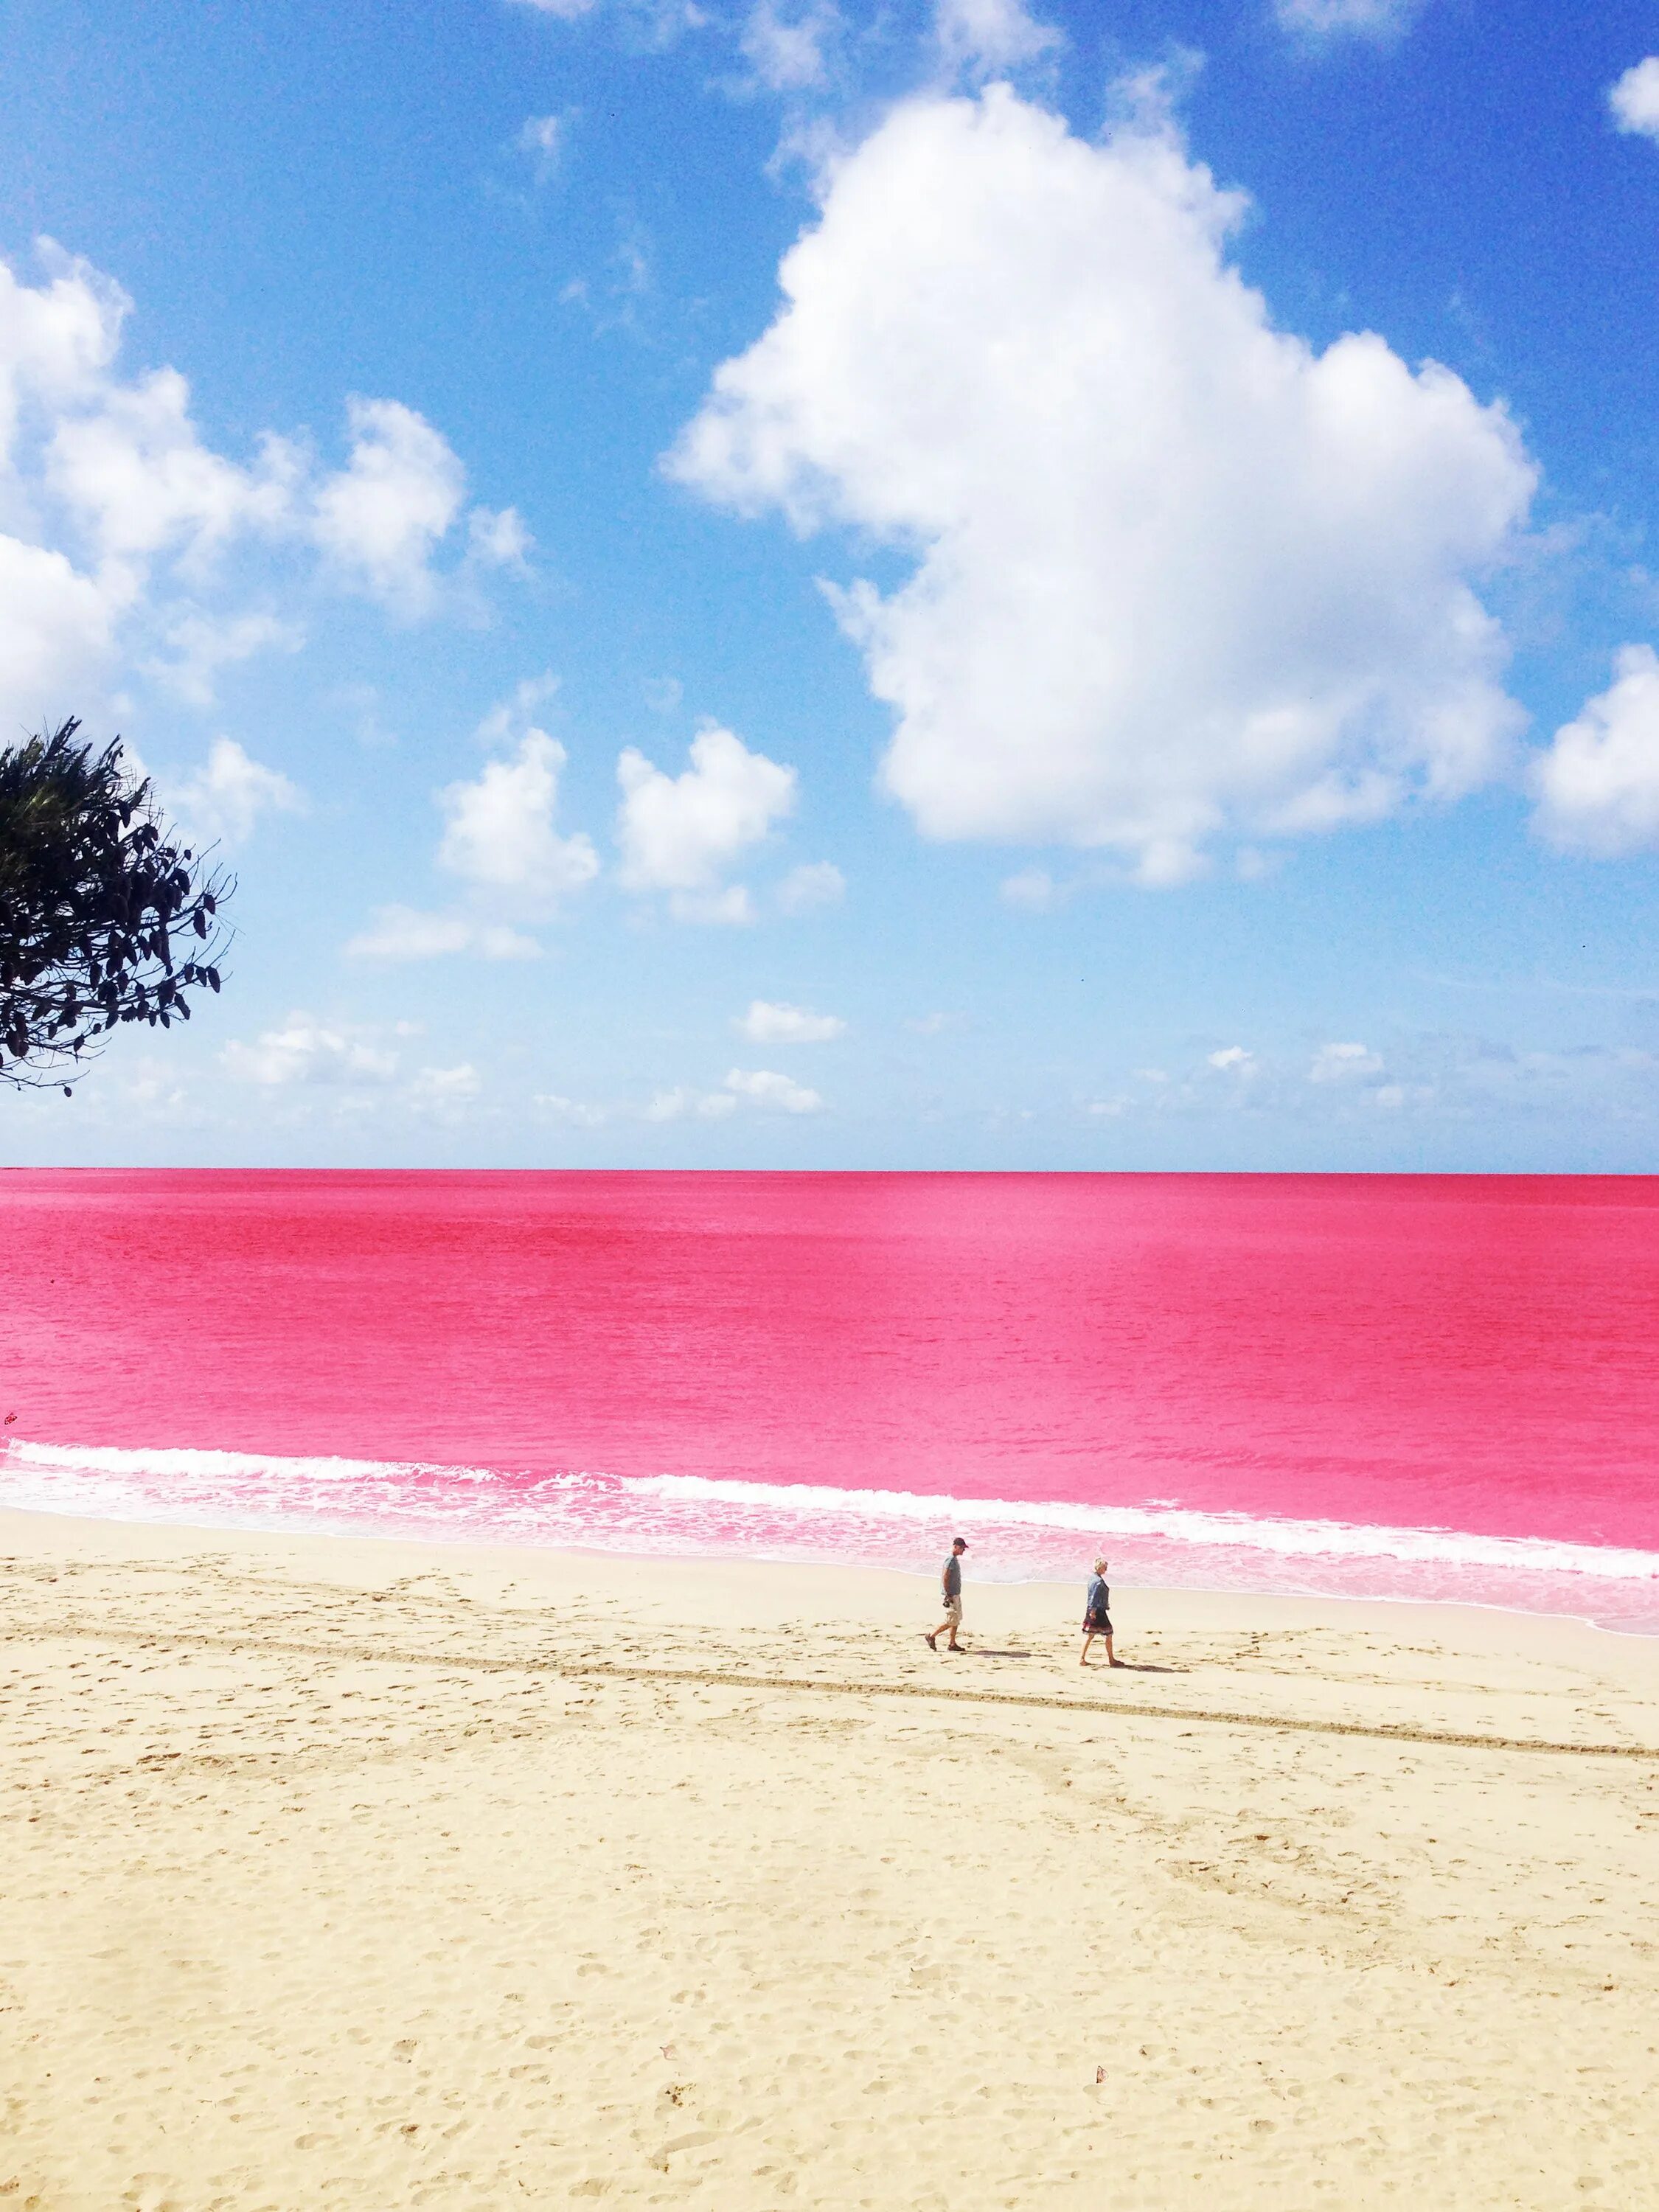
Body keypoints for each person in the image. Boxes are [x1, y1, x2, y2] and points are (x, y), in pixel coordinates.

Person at [925, 1537, 968, 1652]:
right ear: (956, 1547)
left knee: (956, 1620)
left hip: (955, 1594)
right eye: (962, 1548)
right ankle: (932, 1636)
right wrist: (948, 1594)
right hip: (951, 1595)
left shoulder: (954, 1559)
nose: (964, 1550)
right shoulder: (950, 1560)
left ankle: (952, 1644)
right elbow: (945, 1577)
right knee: (951, 1620)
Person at [1081, 1556, 1122, 1667]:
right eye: (1105, 1567)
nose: (1106, 1569)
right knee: (1108, 1634)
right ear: (1099, 1568)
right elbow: (1094, 1597)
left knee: (1090, 1635)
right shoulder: (1098, 1582)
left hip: (1092, 1609)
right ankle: (1111, 1660)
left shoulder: (1092, 1578)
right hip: (1097, 1611)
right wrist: (1093, 1611)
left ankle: (1082, 1659)